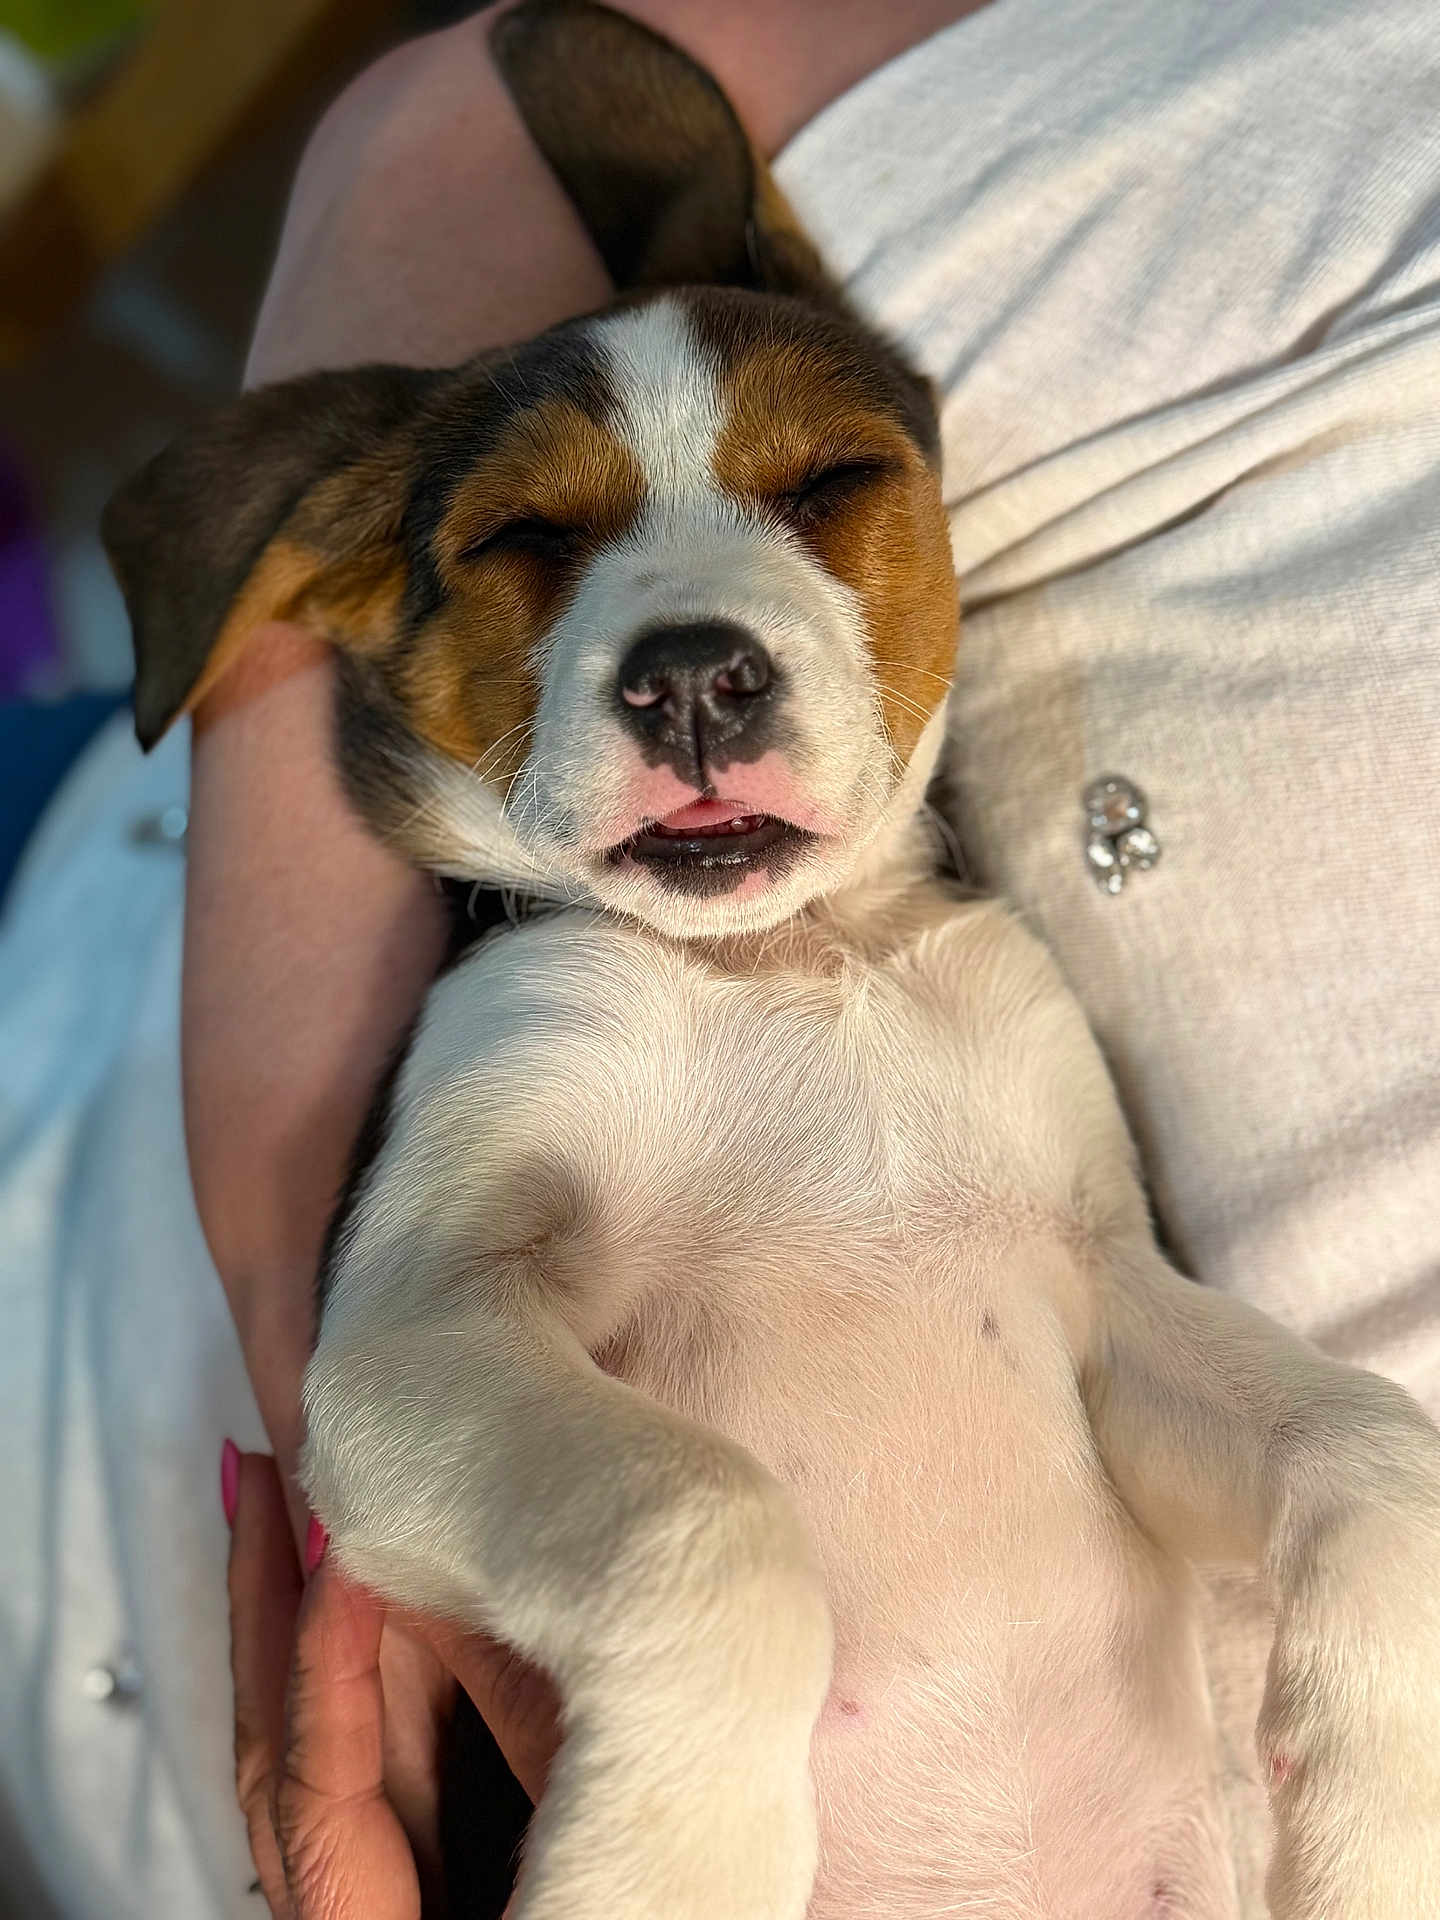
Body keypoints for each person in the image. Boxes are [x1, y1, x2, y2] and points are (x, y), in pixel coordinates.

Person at [7, 0, 1435, 1911]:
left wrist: (1356, 1498)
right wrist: (688, 1597)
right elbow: (391, 1384)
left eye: (822, 489)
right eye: (532, 537)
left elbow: (1115, 1337)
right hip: (68, 1009)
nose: (694, 652)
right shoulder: (620, 1004)